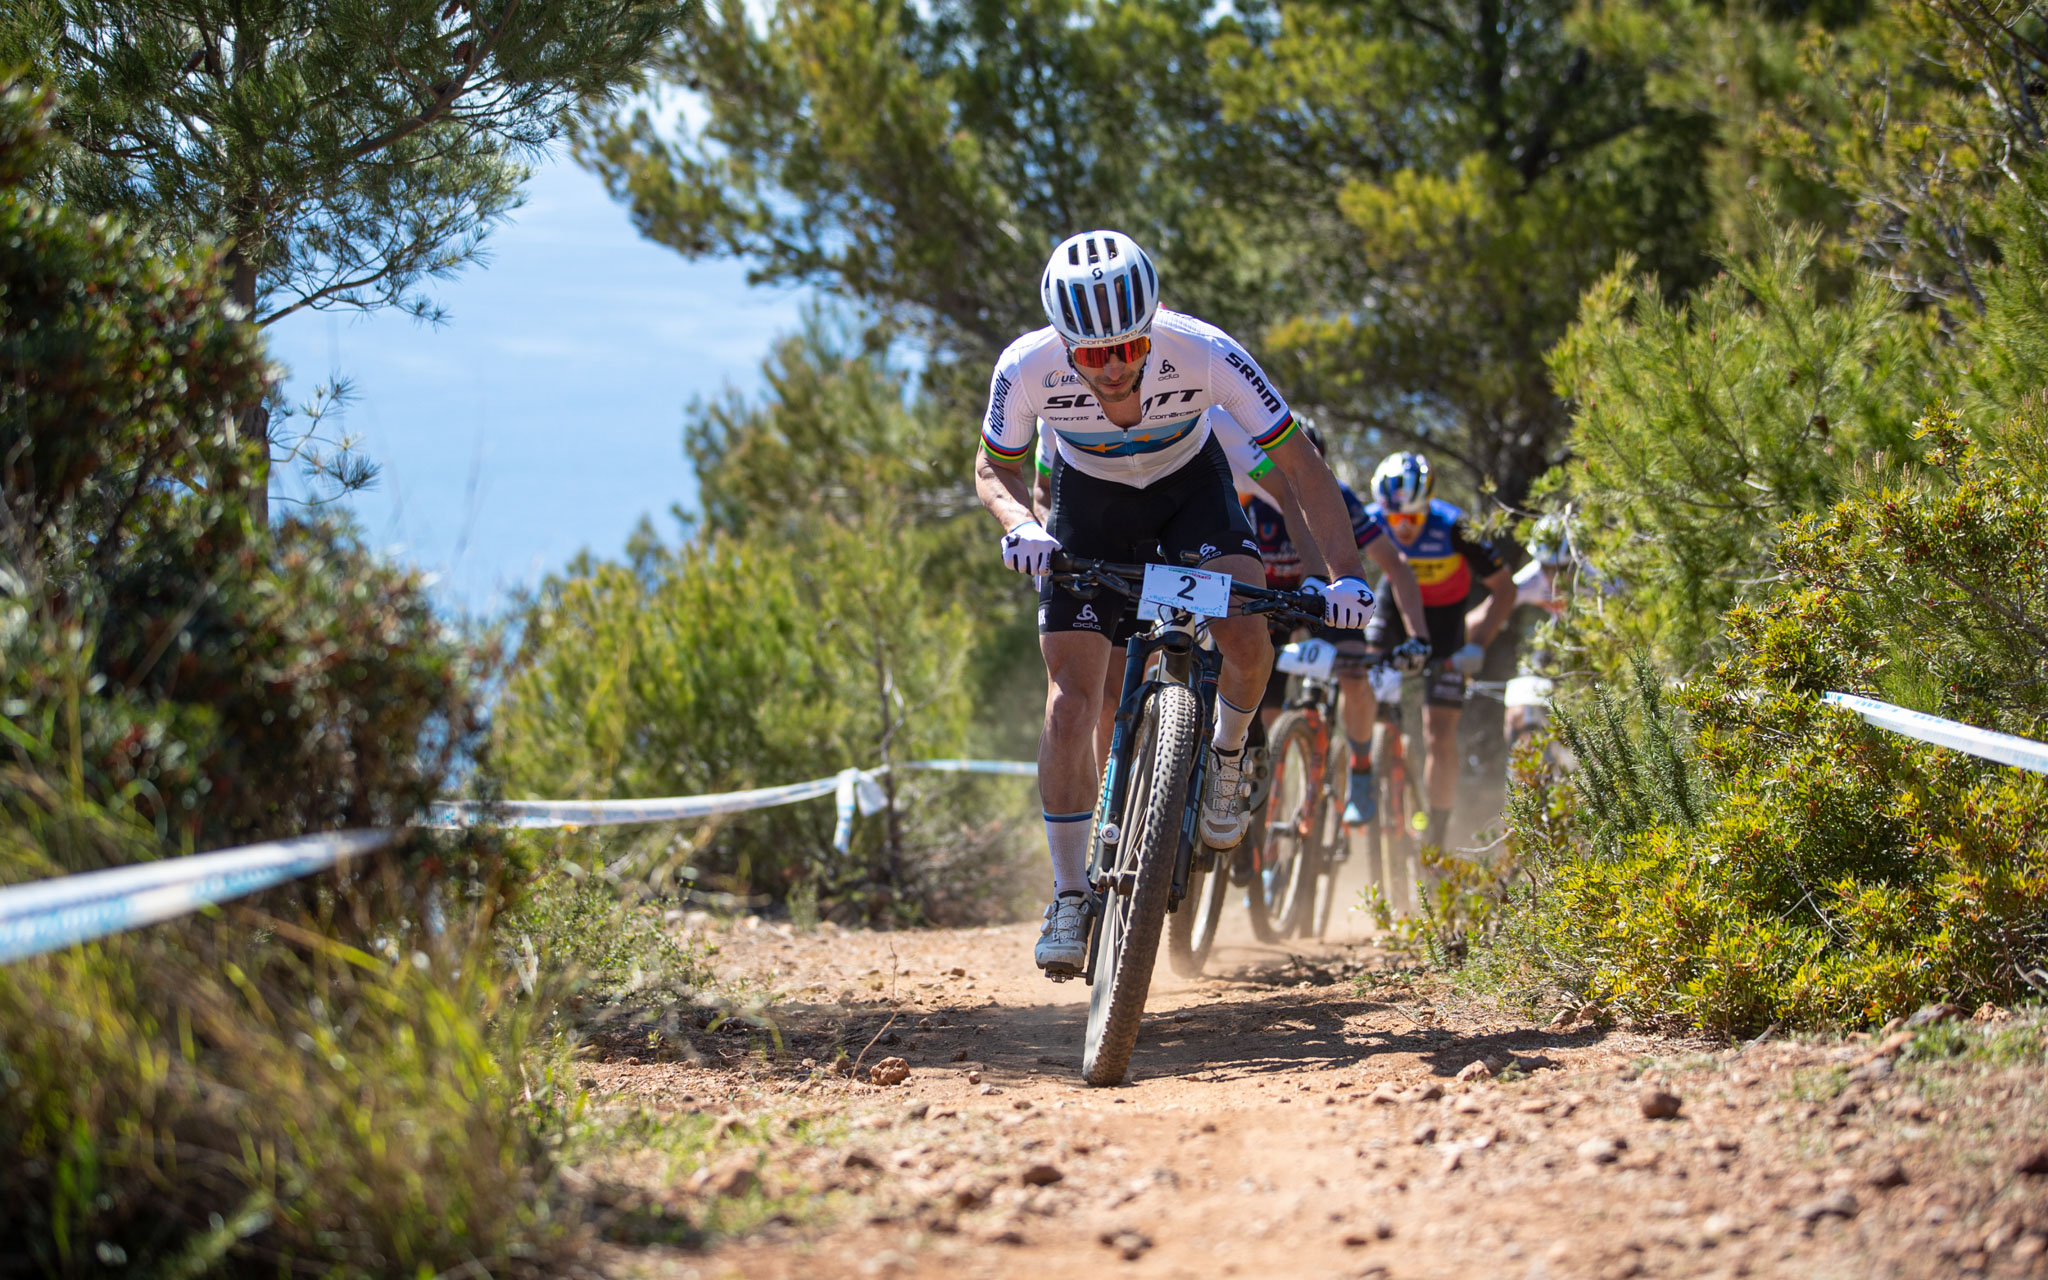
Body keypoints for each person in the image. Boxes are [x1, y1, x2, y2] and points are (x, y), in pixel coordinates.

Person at [974, 229, 1376, 976]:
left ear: (1153, 325)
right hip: (1088, 508)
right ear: (1064, 344)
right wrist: (1021, 525)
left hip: (1192, 496)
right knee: (1071, 701)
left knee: (1248, 638)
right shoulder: (1024, 367)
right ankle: (1068, 893)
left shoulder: (1206, 350)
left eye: (1130, 346)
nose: (1117, 368)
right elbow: (991, 468)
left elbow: (1301, 466)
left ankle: (1225, 759)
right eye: (1092, 355)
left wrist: (1346, 574)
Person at [1236, 421, 1430, 827]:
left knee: (1355, 673)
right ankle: (1270, 813)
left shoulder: (1337, 497)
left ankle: (1360, 769)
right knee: (1264, 713)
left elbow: (1394, 565)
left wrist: (1418, 637)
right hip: (1269, 600)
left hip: (1322, 596)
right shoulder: (1245, 495)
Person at [1358, 451, 1516, 855]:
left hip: (1446, 627)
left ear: (1427, 505)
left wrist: (1475, 645)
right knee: (1359, 681)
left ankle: (1437, 838)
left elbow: (1505, 589)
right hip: (1394, 611)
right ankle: (1365, 773)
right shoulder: (1373, 518)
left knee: (1439, 734)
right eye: (1395, 519)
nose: (1403, 527)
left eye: (1412, 517)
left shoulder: (1453, 526)